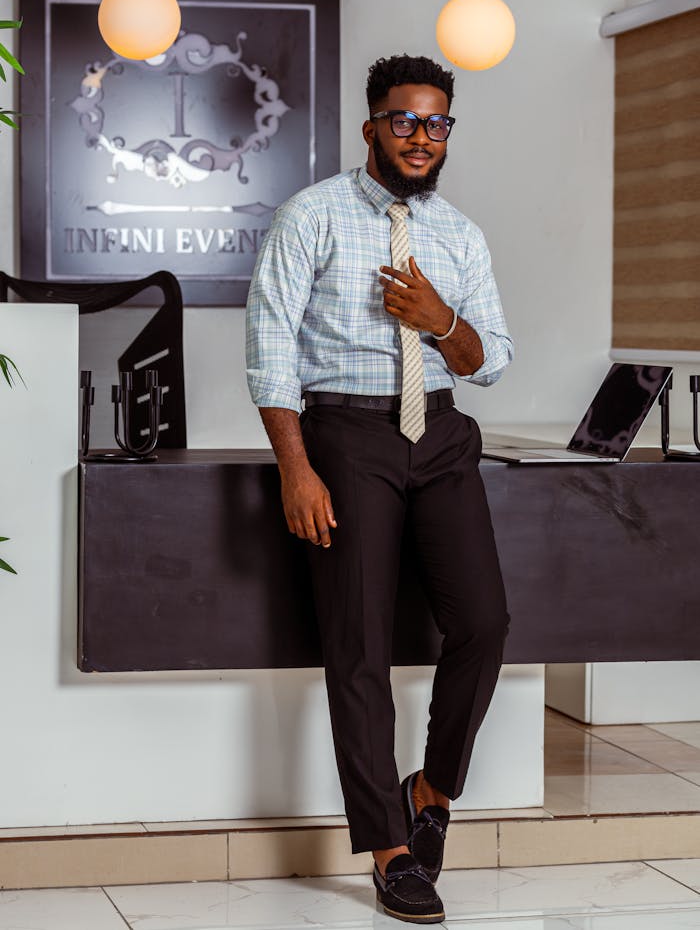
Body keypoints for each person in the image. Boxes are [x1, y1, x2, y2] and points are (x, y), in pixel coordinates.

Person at [246, 54, 513, 924]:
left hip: (436, 429)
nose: (420, 137)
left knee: (483, 620)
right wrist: (296, 465)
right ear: (371, 127)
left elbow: (492, 363)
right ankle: (391, 848)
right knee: (356, 643)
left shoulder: (462, 237)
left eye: (436, 123)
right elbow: (271, 352)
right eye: (404, 121)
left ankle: (431, 787)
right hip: (347, 433)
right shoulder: (311, 215)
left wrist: (441, 322)